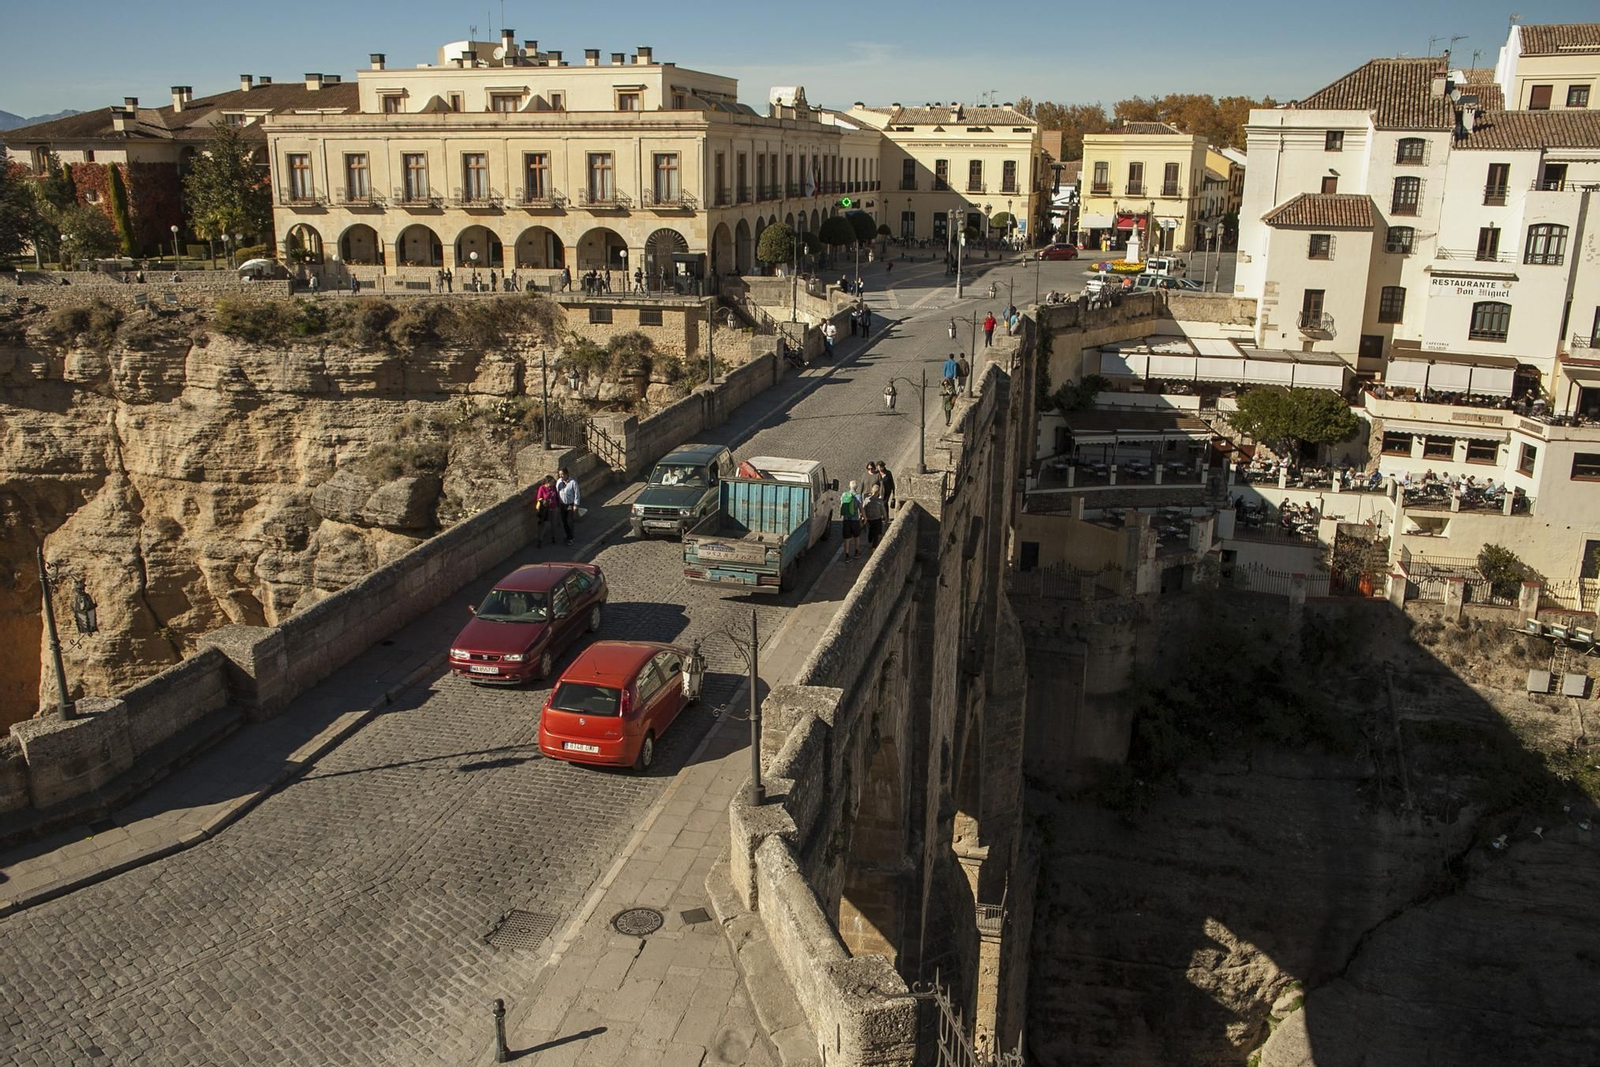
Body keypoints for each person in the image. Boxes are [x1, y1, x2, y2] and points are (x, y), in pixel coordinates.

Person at [556, 468, 581, 545]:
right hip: (562, 504)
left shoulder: (573, 482)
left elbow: (577, 494)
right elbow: (557, 492)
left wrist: (576, 505)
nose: (561, 476)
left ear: (567, 474)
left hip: (570, 504)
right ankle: (568, 535)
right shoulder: (559, 482)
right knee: (564, 521)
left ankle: (570, 538)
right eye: (560, 474)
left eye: (562, 474)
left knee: (569, 520)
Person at [839, 480, 863, 560]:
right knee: (856, 536)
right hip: (855, 519)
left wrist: (840, 515)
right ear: (857, 487)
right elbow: (861, 508)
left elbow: (842, 505)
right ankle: (856, 552)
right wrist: (864, 517)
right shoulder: (858, 496)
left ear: (849, 486)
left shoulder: (844, 495)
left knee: (847, 538)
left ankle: (847, 555)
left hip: (846, 519)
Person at [533, 476, 558, 547]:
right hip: (545, 509)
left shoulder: (553, 488)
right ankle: (540, 540)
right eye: (552, 482)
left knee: (554, 524)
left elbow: (556, 496)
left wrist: (557, 505)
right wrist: (545, 501)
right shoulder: (542, 488)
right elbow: (539, 498)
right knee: (545, 524)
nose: (553, 484)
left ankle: (554, 538)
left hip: (554, 508)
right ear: (547, 482)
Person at [863, 484, 887, 549]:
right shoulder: (879, 501)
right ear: (878, 492)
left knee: (870, 531)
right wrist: (885, 516)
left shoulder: (866, 499)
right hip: (877, 519)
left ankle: (869, 542)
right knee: (876, 533)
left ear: (871, 491)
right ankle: (874, 546)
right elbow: (883, 510)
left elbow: (863, 509)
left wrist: (863, 516)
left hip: (869, 519)